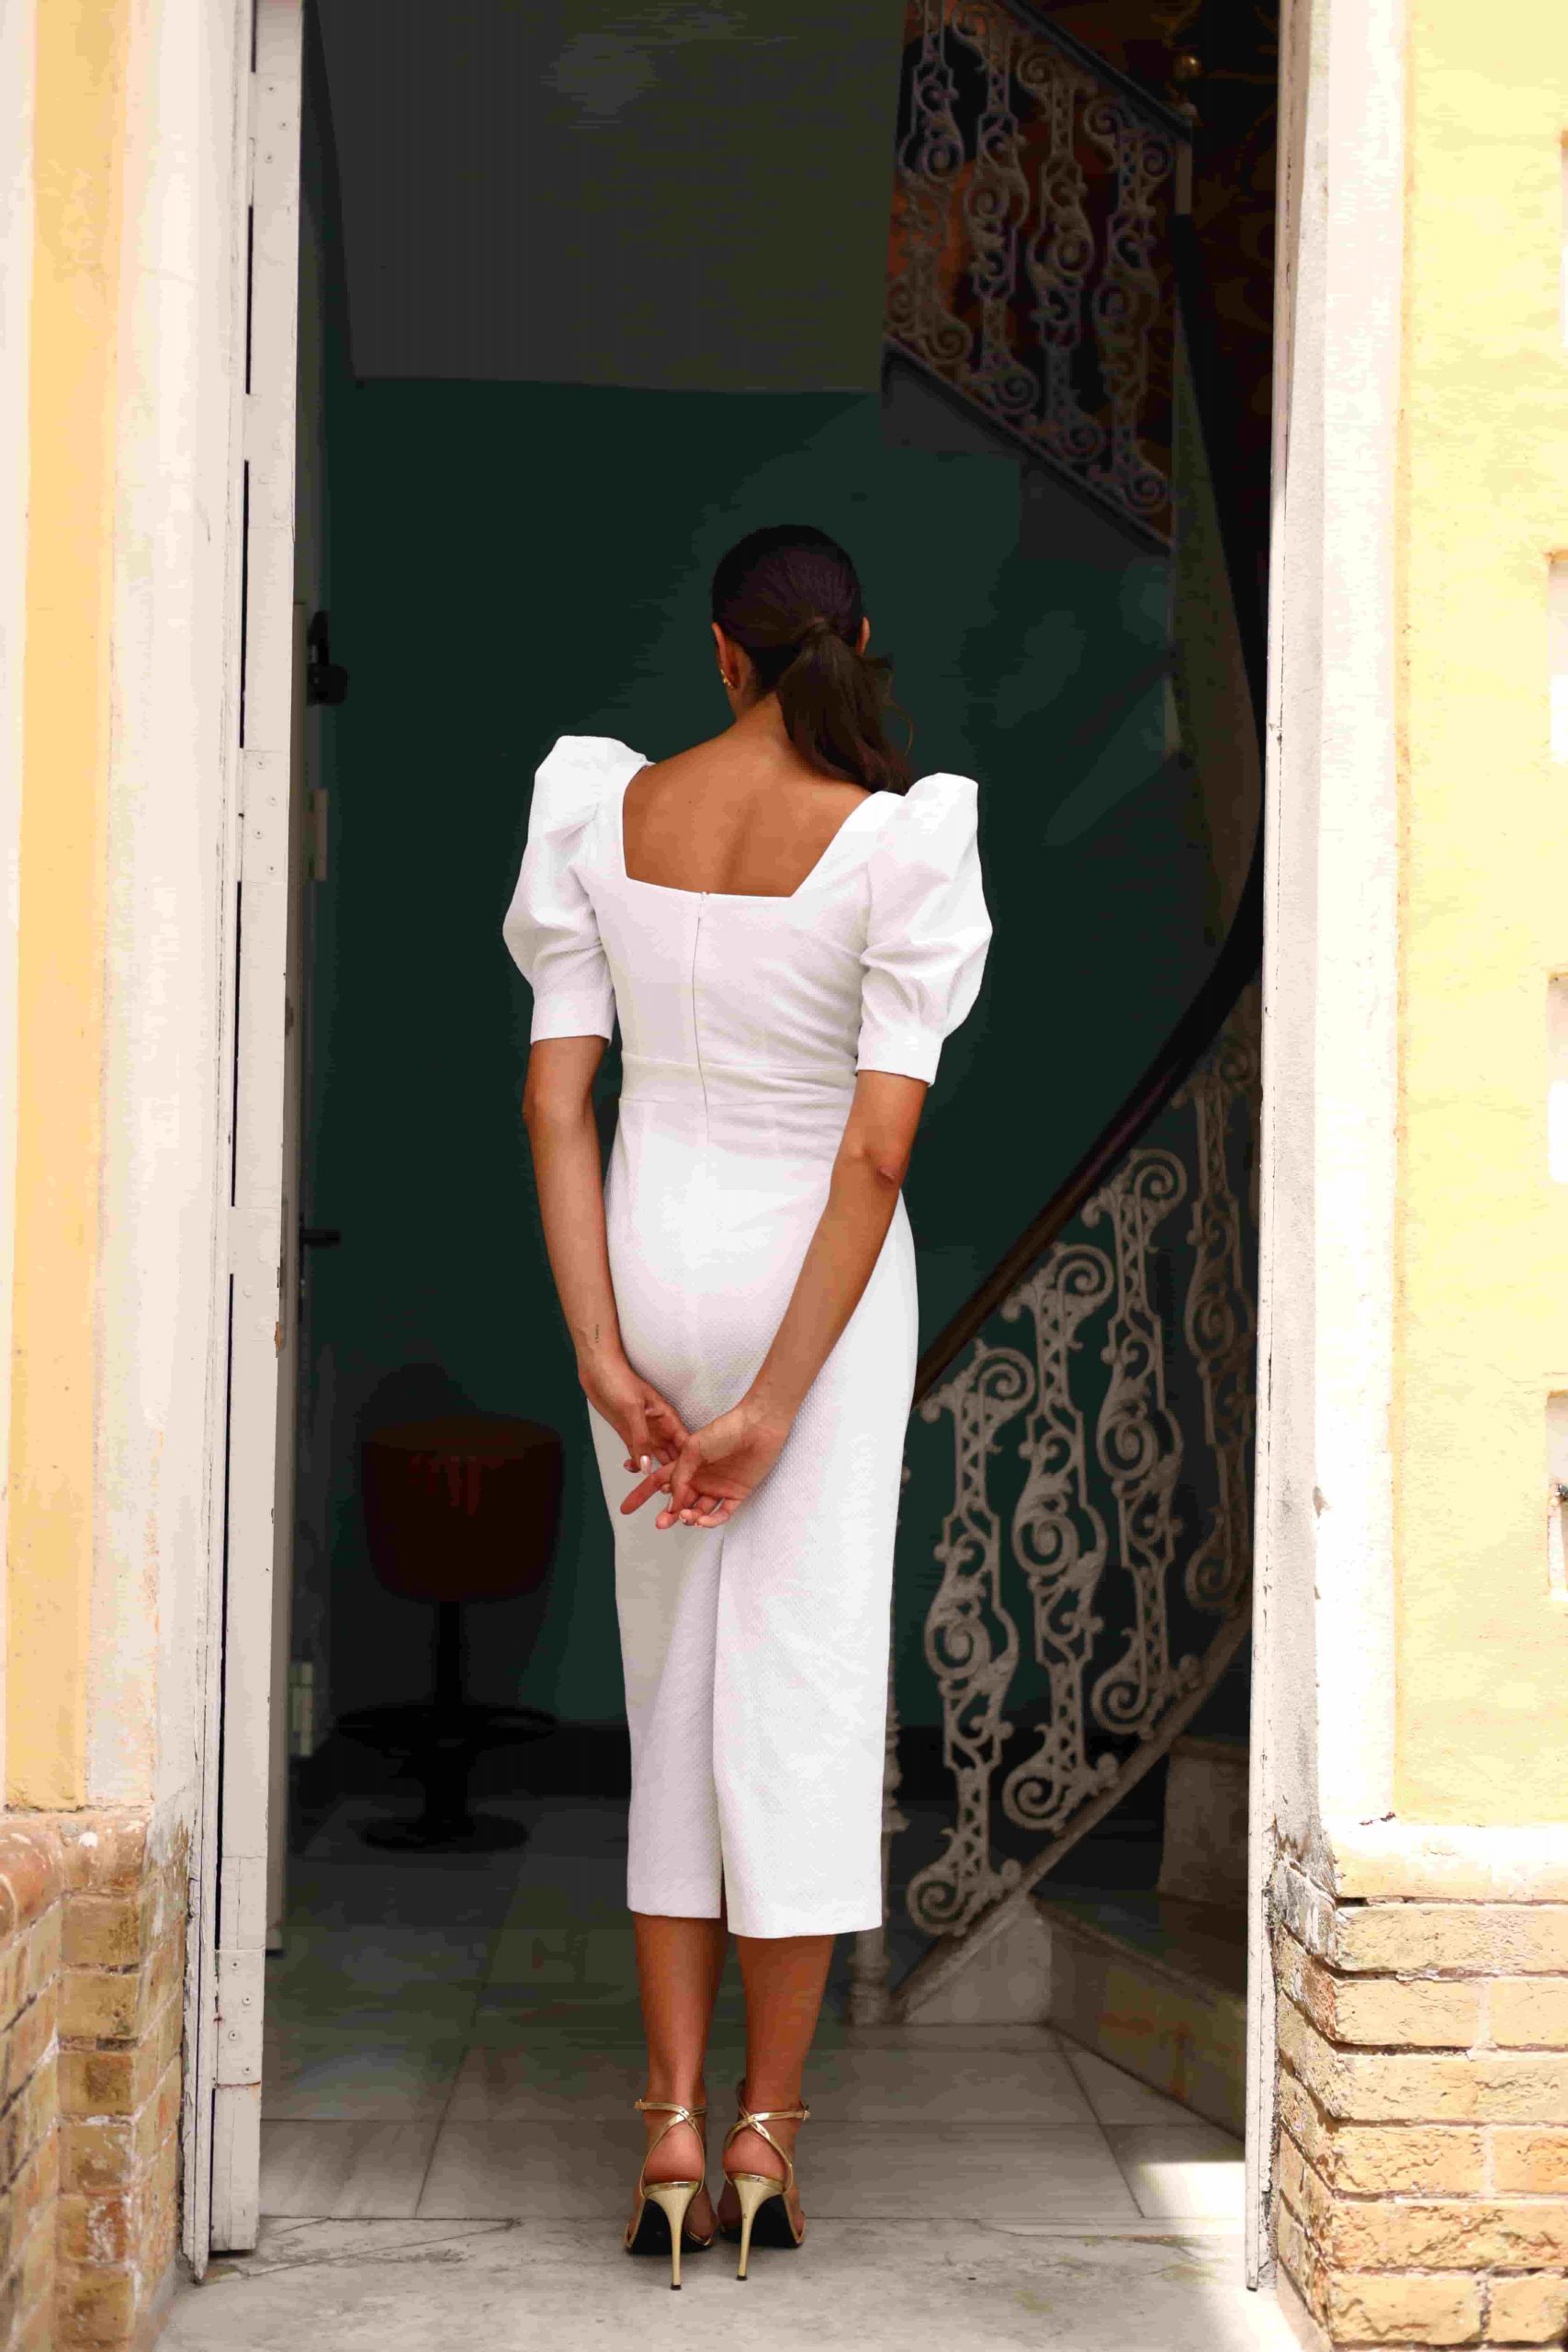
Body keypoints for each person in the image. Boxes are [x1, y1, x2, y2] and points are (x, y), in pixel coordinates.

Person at [503, 522, 990, 2285]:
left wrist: (598, 1348)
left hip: (649, 1264)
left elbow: (558, 1103)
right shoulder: (898, 839)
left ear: (720, 654)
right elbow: (875, 1153)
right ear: (852, 636)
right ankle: (766, 2139)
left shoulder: (601, 810)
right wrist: (781, 1399)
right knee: (797, 1694)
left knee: (673, 1696)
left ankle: (665, 2127)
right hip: (814, 1301)